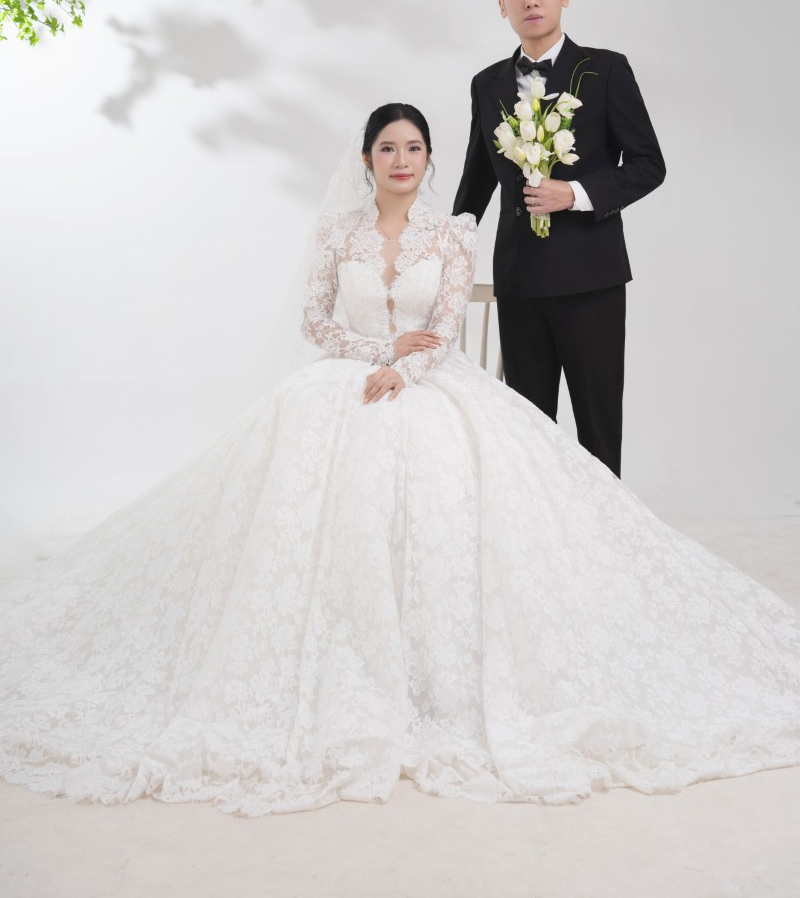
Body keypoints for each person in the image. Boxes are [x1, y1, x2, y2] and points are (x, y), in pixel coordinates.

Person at [0, 103, 798, 820]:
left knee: (441, 477)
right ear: (366, 160)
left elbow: (445, 328)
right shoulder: (338, 234)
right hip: (348, 378)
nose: (402, 159)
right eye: (388, 147)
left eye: (415, 147)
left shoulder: (450, 235)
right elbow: (316, 321)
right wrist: (376, 352)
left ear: (429, 160)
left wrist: (405, 369)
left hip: (429, 384)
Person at [453, 0, 666, 477]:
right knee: (528, 434)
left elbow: (648, 164)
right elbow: (476, 180)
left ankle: (607, 527)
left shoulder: (606, 69)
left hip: (591, 280)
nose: (531, 0)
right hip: (519, 280)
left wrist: (574, 194)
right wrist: (443, 250)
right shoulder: (486, 84)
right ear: (502, 5)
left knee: (597, 427)